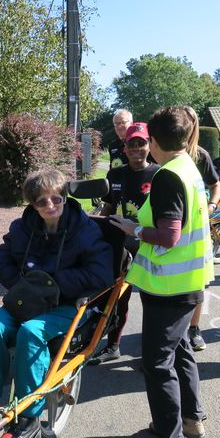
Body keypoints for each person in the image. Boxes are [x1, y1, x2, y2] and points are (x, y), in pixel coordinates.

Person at [0, 169, 113, 438]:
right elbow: (0, 259)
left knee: (31, 332)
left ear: (65, 197)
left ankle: (28, 418)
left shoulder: (84, 229)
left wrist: (54, 285)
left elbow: (101, 273)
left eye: (56, 198)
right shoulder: (23, 227)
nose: (50, 205)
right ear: (32, 205)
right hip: (26, 300)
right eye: (41, 202)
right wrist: (22, 285)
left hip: (65, 304)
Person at [111, 106, 213, 438]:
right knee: (181, 349)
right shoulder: (189, 167)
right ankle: (191, 419)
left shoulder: (168, 176)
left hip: (169, 286)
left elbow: (169, 235)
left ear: (153, 141)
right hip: (187, 282)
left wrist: (133, 230)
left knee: (157, 363)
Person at [88, 122, 159, 364]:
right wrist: (94, 224)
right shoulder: (115, 174)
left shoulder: (159, 175)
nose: (137, 148)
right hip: (120, 246)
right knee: (118, 298)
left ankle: (150, 354)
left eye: (142, 143)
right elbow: (108, 206)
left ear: (149, 145)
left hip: (149, 247)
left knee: (151, 302)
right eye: (132, 144)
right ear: (125, 147)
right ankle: (113, 346)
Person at [183, 106, 220, 352]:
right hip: (172, 227)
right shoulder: (161, 154)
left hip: (197, 227)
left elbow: (216, 185)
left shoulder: (201, 156)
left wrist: (211, 205)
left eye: (189, 121)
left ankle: (194, 328)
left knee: (197, 281)